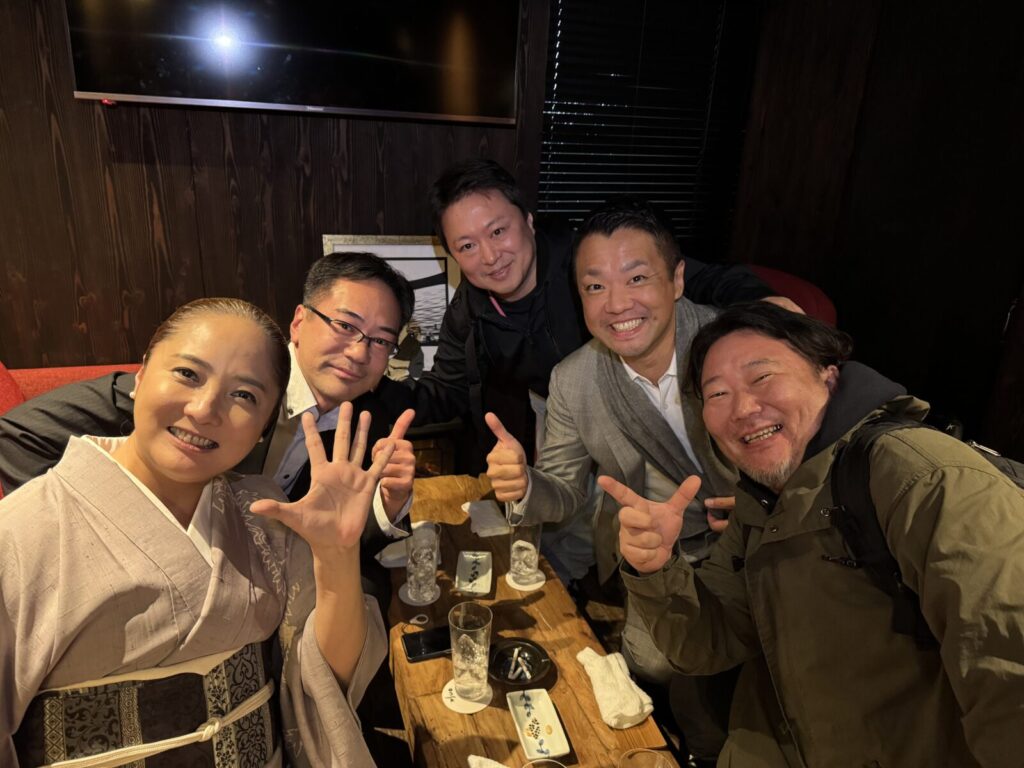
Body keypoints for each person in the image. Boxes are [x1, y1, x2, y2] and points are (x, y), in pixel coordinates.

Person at [606, 302, 1024, 766]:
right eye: (717, 393)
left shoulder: (920, 477)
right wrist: (656, 568)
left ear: (828, 376)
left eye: (762, 377)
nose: (743, 408)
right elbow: (706, 646)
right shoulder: (761, 503)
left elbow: (1008, 675)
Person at [0, 298, 398, 767]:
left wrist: (336, 553)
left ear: (264, 427)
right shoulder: (21, 532)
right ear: (141, 375)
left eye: (244, 396)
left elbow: (329, 673)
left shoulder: (260, 513)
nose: (205, 409)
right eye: (188, 374)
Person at [0, 252, 416, 606]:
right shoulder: (205, 381)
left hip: (269, 574)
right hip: (172, 576)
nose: (359, 352)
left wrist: (388, 504)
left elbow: (339, 528)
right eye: (345, 326)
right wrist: (103, 533)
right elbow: (18, 436)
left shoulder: (374, 419)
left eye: (381, 341)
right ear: (299, 322)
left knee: (367, 594)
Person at [484, 198, 740, 760]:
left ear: (677, 280)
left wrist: (760, 505)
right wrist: (525, 485)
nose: (617, 304)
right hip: (662, 554)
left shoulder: (736, 343)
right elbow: (564, 491)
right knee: (652, 663)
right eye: (595, 287)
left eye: (637, 278)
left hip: (762, 538)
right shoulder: (575, 380)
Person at [408, 158, 797, 465]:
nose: (490, 257)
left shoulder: (588, 260)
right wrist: (375, 396)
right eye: (467, 246)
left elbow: (701, 278)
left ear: (527, 220)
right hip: (558, 424)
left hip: (641, 408)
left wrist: (766, 306)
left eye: (498, 232)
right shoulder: (469, 310)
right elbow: (446, 389)